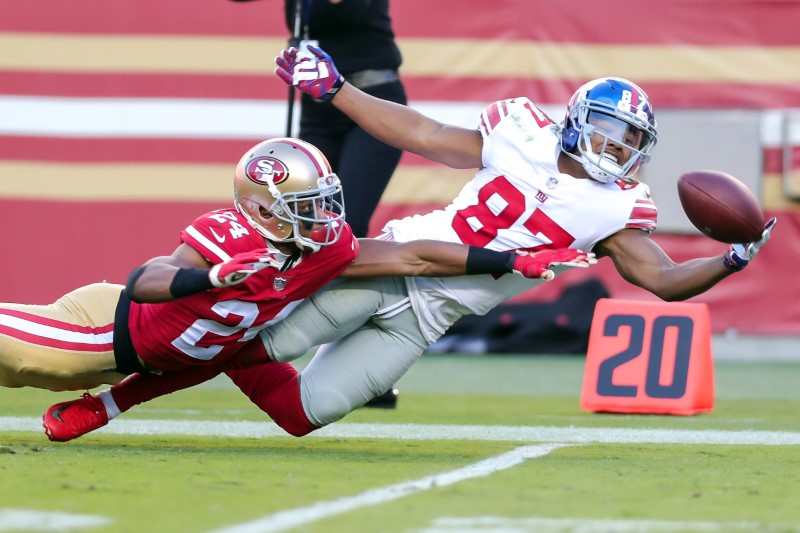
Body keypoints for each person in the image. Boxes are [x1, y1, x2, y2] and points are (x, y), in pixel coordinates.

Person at [41, 46, 776, 442]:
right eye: (610, 133)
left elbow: (665, 280)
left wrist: (732, 258)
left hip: (433, 313)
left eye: (631, 140)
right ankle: (111, 400)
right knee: (253, 338)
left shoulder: (620, 206)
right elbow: (421, 132)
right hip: (389, 262)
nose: (620, 151)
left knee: (304, 413)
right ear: (579, 123)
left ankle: (231, 323)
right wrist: (335, 91)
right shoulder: (520, 132)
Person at [0, 136, 588, 406]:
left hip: (136, 354)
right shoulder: (231, 233)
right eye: (307, 207)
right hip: (108, 328)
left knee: (30, 377)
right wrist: (209, 279)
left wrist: (512, 260)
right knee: (33, 358)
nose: (325, 217)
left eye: (324, 201)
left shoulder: (325, 246)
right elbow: (146, 280)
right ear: (261, 205)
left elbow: (414, 255)